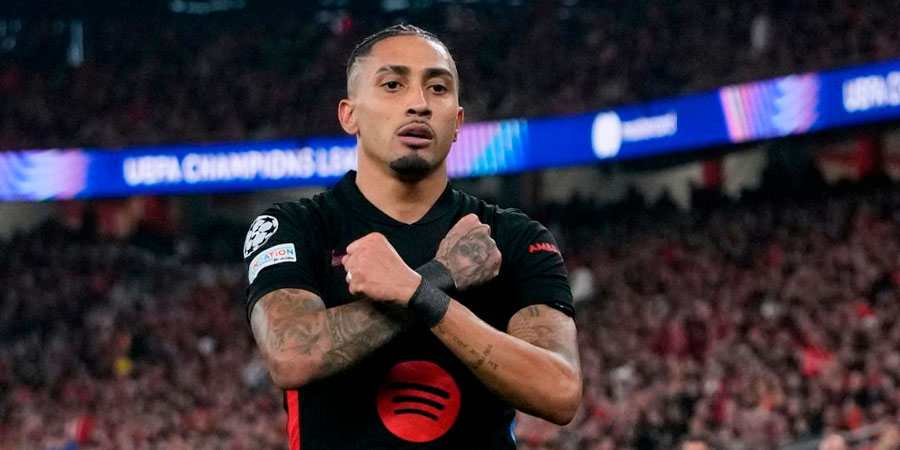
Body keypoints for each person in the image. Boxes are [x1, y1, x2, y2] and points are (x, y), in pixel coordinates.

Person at [243, 24, 582, 450]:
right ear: (349, 115)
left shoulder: (511, 237)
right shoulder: (296, 227)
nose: (419, 104)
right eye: (392, 85)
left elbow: (559, 392)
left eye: (438, 88)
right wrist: (438, 277)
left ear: (457, 122)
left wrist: (419, 293)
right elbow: (290, 356)